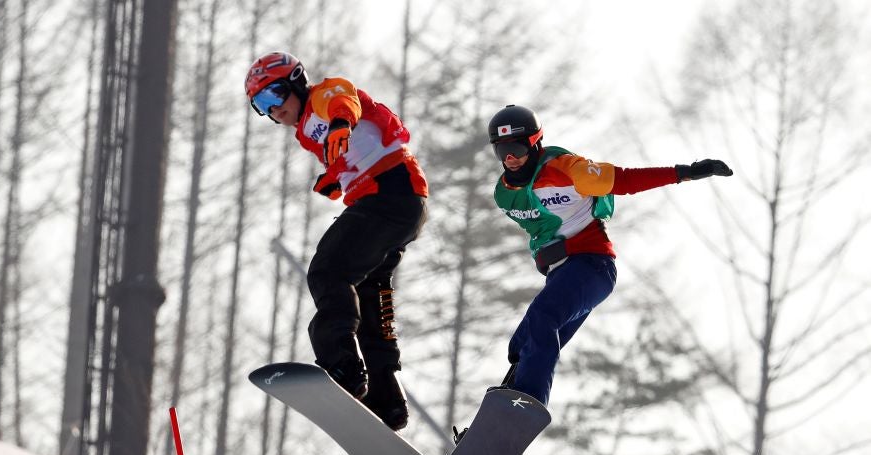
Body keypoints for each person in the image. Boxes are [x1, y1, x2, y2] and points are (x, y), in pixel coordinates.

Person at [487, 104, 733, 407]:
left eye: (516, 147)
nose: (510, 158)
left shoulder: (568, 169)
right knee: (522, 345)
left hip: (591, 266)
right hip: (560, 274)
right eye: (501, 151)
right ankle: (506, 428)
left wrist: (686, 173)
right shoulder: (504, 193)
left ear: (535, 142)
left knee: (542, 319)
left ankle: (526, 404)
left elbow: (627, 180)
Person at [245, 52, 428, 431]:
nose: (272, 111)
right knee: (369, 288)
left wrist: (342, 123)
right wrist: (334, 177)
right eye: (260, 106)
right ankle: (386, 395)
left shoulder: (323, 96)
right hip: (400, 201)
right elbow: (352, 151)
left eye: (274, 96)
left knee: (328, 270)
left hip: (389, 193)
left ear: (297, 81)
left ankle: (341, 363)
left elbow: (345, 102)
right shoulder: (306, 131)